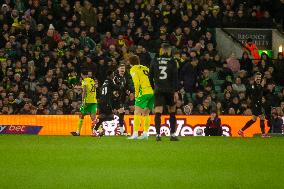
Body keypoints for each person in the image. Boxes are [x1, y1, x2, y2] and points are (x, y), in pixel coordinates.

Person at [149, 43, 179, 141]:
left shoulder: (154, 60)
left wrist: (154, 87)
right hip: (169, 89)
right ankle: (173, 134)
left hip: (158, 89)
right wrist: (176, 91)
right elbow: (175, 77)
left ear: (161, 50)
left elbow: (150, 76)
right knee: (172, 111)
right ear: (169, 50)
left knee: (158, 112)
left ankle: (158, 134)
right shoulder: (172, 61)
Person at [127, 55, 154, 140]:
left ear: (131, 62)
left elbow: (137, 83)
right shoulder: (145, 68)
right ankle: (145, 134)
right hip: (152, 92)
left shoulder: (133, 69)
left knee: (137, 112)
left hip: (143, 92)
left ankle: (135, 133)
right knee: (146, 113)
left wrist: (136, 95)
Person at [238, 72, 269, 137]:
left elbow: (260, 92)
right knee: (262, 117)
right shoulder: (253, 85)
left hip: (258, 104)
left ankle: (241, 131)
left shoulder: (258, 85)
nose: (258, 79)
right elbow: (255, 92)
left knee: (253, 119)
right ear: (255, 78)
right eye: (257, 77)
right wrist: (261, 86)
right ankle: (263, 134)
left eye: (259, 78)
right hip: (256, 104)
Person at [71, 70, 97, 136]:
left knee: (81, 115)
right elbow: (89, 87)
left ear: (82, 75)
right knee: (93, 117)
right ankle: (96, 131)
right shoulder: (91, 80)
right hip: (94, 101)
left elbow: (84, 91)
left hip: (87, 101)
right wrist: (78, 87)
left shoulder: (84, 81)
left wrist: (83, 101)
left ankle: (78, 132)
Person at [93, 70, 118, 137]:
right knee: (111, 117)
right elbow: (116, 87)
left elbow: (106, 92)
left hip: (101, 102)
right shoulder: (110, 81)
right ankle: (96, 125)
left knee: (104, 116)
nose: (113, 75)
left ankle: (95, 130)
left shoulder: (105, 82)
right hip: (106, 102)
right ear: (110, 75)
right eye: (113, 74)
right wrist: (118, 84)